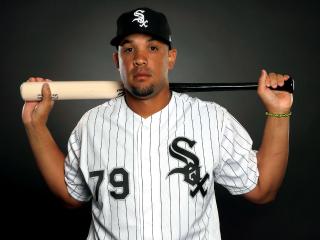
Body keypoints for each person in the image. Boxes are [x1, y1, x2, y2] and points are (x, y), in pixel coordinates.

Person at [22, 7, 293, 240]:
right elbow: (71, 195)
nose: (140, 58)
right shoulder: (91, 124)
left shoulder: (213, 120)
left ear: (171, 57)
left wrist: (279, 113)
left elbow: (262, 190)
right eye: (129, 49)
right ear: (117, 60)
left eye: (152, 47)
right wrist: (36, 126)